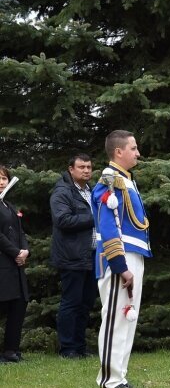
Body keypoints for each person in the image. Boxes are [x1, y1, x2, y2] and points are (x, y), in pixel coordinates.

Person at [92, 130, 151, 388]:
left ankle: (120, 375)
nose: (138, 153)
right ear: (118, 152)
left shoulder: (126, 181)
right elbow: (107, 227)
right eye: (133, 148)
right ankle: (109, 379)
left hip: (134, 254)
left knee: (128, 318)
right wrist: (120, 266)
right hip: (120, 258)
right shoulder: (111, 181)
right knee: (116, 317)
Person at [50, 153, 98, 359]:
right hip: (71, 256)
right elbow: (63, 220)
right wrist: (95, 216)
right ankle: (68, 348)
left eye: (88, 167)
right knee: (71, 302)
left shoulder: (91, 191)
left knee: (86, 302)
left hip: (92, 255)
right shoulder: (62, 192)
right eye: (81, 167)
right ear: (71, 169)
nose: (86, 170)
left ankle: (79, 346)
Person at [0, 166, 29, 363]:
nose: (2, 182)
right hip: (2, 263)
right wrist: (15, 252)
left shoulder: (8, 205)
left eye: (4, 178)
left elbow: (21, 233)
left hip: (15, 266)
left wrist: (25, 250)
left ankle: (11, 350)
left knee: (18, 305)